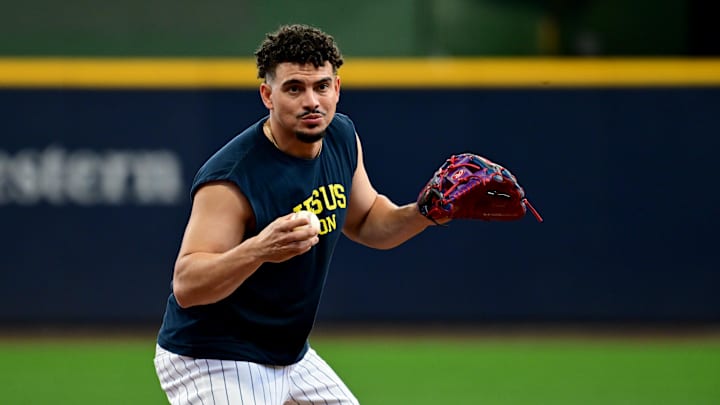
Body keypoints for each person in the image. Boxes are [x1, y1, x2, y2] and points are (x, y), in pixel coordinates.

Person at [154, 24, 440, 404]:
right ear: (267, 95)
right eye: (294, 88)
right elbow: (188, 285)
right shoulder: (233, 177)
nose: (311, 101)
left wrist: (426, 211)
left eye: (321, 86)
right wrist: (259, 249)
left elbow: (368, 220)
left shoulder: (340, 136)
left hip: (289, 355)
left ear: (336, 88)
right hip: (213, 354)